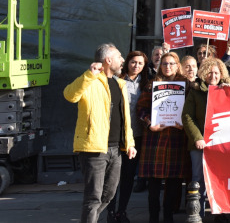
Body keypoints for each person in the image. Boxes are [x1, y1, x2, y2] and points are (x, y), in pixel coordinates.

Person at [64, 43, 136, 223]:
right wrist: (89, 75)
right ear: (108, 60)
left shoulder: (120, 84)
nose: (122, 60)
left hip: (116, 150)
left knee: (109, 194)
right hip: (94, 149)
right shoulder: (90, 80)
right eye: (119, 56)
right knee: (93, 197)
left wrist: (130, 143)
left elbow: (125, 118)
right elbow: (69, 95)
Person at [137, 51, 189, 223]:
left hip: (176, 137)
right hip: (155, 139)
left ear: (177, 66)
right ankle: (153, 217)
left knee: (173, 182)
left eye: (171, 63)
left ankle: (168, 217)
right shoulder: (152, 84)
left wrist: (184, 124)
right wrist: (149, 123)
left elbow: (191, 110)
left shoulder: (186, 85)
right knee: (153, 183)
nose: (168, 67)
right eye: (164, 64)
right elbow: (141, 108)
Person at [183, 57, 230, 218]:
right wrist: (197, 138)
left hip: (222, 145)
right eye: (210, 72)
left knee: (221, 178)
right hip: (200, 144)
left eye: (216, 73)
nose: (213, 76)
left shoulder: (229, 90)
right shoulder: (195, 92)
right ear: (204, 73)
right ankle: (198, 214)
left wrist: (228, 93)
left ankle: (221, 214)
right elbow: (188, 116)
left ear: (222, 74)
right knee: (198, 178)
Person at [108, 51, 149, 223]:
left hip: (136, 136)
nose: (136, 66)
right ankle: (110, 212)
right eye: (133, 62)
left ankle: (122, 211)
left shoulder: (146, 84)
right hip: (117, 136)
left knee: (128, 175)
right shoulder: (117, 80)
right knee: (113, 177)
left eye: (140, 63)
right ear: (127, 63)